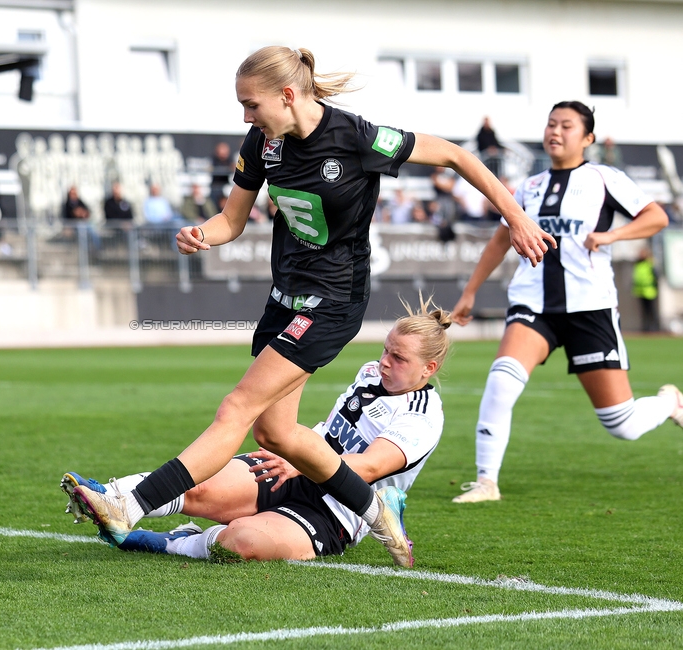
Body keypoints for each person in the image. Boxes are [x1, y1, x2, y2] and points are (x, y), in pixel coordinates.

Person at [67, 46, 553, 569]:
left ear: (288, 94)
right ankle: (374, 508)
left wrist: (517, 218)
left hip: (334, 300)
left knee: (236, 408)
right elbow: (232, 220)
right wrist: (200, 235)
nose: (245, 118)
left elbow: (458, 156)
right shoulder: (262, 143)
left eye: (252, 105)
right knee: (275, 433)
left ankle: (129, 503)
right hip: (285, 297)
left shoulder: (357, 137)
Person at [64, 299, 451, 564]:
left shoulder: (423, 415)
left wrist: (303, 461)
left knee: (240, 540)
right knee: (196, 484)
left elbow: (367, 467)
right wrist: (291, 449)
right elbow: (330, 428)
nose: (384, 362)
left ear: (428, 369)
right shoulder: (368, 372)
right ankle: (112, 497)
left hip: (334, 513)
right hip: (292, 467)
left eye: (398, 358)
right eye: (385, 350)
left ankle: (174, 542)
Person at [450, 100, 683, 503]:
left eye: (567, 126)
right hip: (533, 305)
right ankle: (486, 482)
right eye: (551, 124)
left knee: (621, 423)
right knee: (501, 382)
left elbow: (656, 217)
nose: (555, 131)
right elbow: (501, 239)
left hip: (590, 308)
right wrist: (469, 292)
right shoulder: (530, 186)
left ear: (588, 138)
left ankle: (668, 402)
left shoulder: (605, 178)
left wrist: (611, 237)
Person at [632, 246, 659, 333]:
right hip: (640, 291)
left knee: (651, 310)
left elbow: (655, 277)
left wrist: (654, 287)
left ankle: (655, 327)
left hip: (649, 291)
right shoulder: (638, 264)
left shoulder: (650, 264)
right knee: (644, 311)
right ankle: (646, 327)